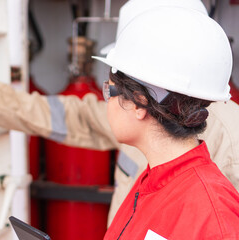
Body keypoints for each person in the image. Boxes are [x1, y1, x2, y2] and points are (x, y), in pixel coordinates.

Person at [0, 0, 239, 228]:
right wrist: (0, 102)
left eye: (111, 89)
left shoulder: (224, 155)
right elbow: (80, 118)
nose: (109, 101)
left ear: (140, 97)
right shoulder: (152, 130)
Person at [93, 6, 239, 239]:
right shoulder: (151, 182)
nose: (107, 101)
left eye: (109, 90)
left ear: (138, 103)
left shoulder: (213, 216)